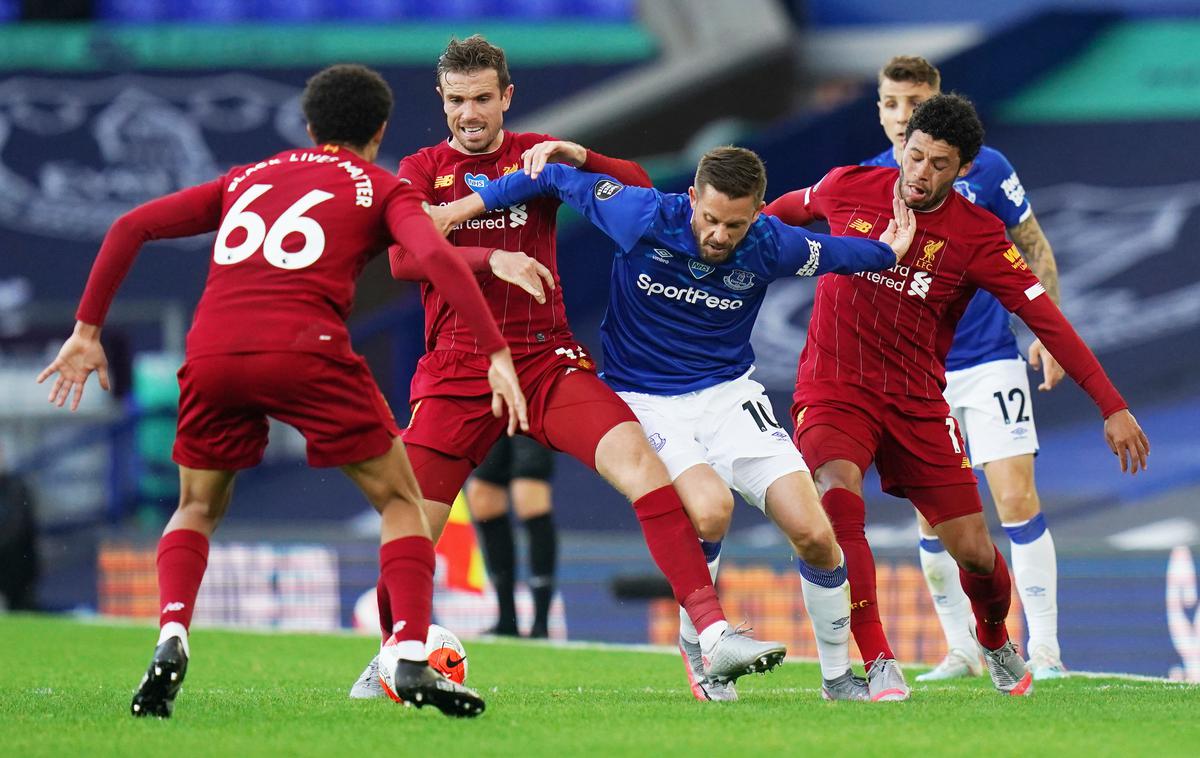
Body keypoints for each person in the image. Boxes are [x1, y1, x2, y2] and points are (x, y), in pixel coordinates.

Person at [36, 63, 540, 719]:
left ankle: (171, 635)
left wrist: (86, 331)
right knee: (401, 501)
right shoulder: (383, 188)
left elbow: (130, 226)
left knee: (195, 507)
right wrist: (496, 352)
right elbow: (438, 260)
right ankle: (409, 654)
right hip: (306, 348)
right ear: (381, 129)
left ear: (308, 126)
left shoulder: (246, 178)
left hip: (213, 349)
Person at [349, 35, 789, 700]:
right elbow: (404, 261)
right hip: (458, 370)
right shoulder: (420, 169)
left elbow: (638, 188)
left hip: (544, 362)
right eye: (458, 100)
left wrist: (576, 154)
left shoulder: (535, 159)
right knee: (411, 521)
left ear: (507, 98)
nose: (471, 113)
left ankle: (711, 637)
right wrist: (488, 259)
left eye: (483, 99)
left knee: (641, 463)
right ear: (441, 101)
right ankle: (393, 653)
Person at [425, 145, 915, 701]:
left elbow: (837, 253)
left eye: (734, 224)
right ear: (691, 199)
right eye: (709, 219)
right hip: (646, 398)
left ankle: (837, 678)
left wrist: (887, 251)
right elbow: (555, 178)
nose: (718, 235)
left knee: (815, 533)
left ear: (757, 213)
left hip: (730, 397)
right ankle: (703, 651)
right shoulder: (640, 214)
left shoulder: (773, 244)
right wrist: (458, 210)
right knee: (711, 509)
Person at [764, 93, 1149, 699]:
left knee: (974, 553)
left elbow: (1046, 318)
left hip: (917, 401)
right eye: (915, 156)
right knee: (836, 496)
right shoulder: (848, 187)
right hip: (834, 388)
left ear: (964, 168)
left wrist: (1112, 403)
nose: (920, 173)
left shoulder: (978, 235)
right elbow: (773, 214)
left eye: (938, 163)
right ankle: (879, 659)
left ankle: (995, 638)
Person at [865, 55, 1068, 681]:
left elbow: (1032, 243)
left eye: (917, 101)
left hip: (988, 361)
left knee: (1015, 498)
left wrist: (1049, 328)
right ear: (879, 108)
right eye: (893, 102)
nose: (905, 115)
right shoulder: (867, 181)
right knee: (934, 518)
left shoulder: (987, 169)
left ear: (938, 102)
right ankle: (962, 650)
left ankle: (1046, 655)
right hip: (915, 375)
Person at [467, 435, 558, 639]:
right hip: (491, 406)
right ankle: (507, 619)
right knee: (483, 496)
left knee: (528, 493)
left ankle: (541, 624)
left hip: (528, 406)